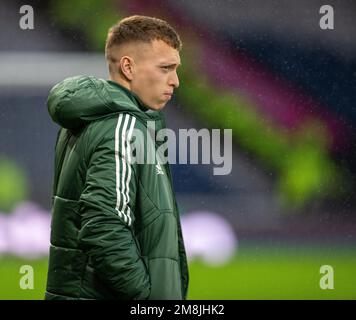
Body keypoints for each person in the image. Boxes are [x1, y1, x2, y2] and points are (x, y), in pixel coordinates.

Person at [45, 15, 189, 300]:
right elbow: (104, 225)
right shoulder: (122, 126)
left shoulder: (86, 121)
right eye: (165, 68)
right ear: (128, 67)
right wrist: (148, 297)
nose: (176, 80)